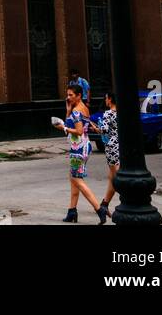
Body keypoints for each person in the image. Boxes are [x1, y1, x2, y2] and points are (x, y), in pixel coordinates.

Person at [53, 83, 106, 224]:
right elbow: (78, 125)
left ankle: (99, 209)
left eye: (71, 95)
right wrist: (68, 110)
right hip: (84, 146)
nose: (68, 97)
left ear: (79, 96)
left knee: (77, 179)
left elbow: (78, 131)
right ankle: (72, 211)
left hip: (78, 149)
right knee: (73, 178)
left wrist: (62, 128)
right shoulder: (83, 109)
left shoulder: (77, 112)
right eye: (67, 94)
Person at [98, 89, 119, 221]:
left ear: (110, 99)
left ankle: (105, 204)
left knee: (115, 175)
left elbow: (104, 130)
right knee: (112, 175)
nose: (105, 101)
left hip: (111, 146)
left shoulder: (108, 113)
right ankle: (105, 204)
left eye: (106, 98)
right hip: (121, 145)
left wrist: (97, 128)